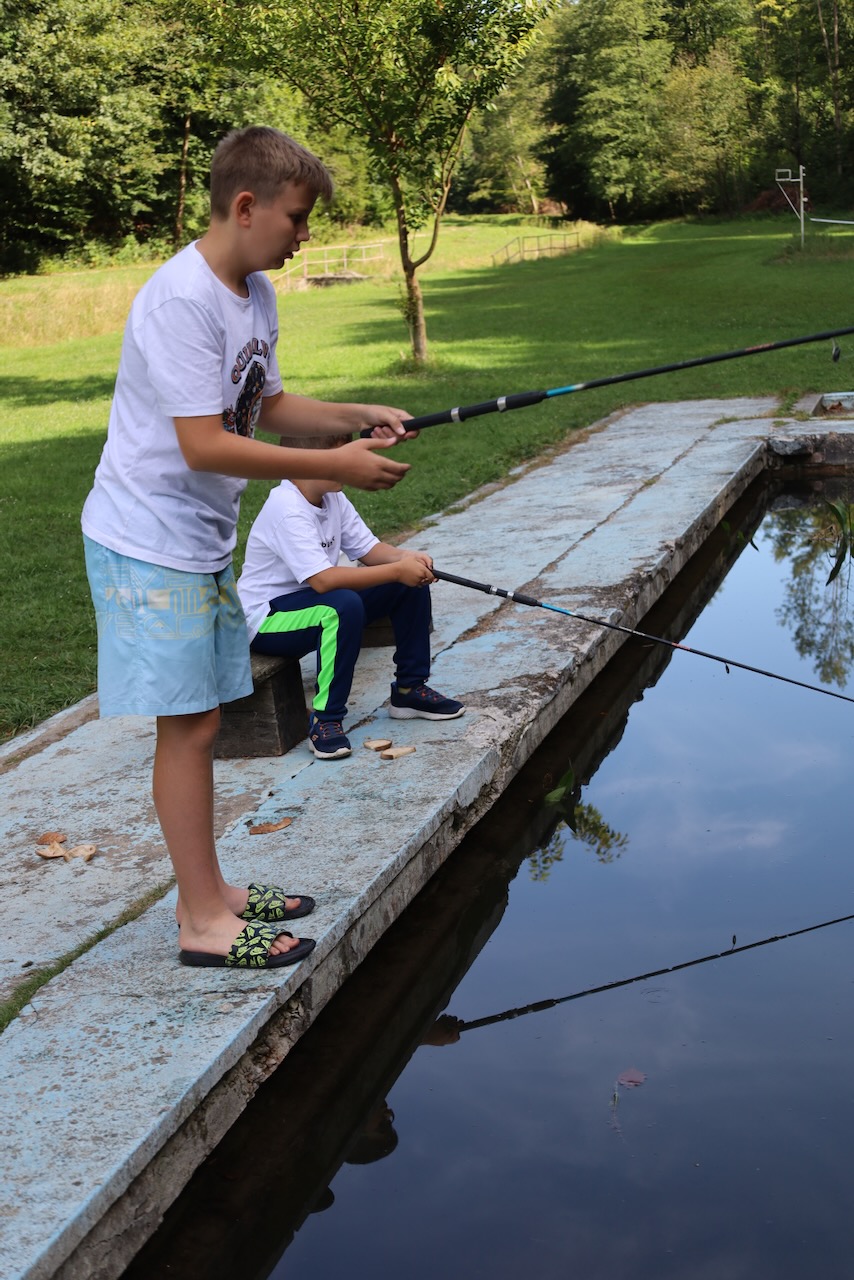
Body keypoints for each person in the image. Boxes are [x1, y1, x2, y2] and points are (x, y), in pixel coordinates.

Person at [81, 125, 414, 970]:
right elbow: (205, 444)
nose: (305, 234)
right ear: (245, 205)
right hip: (147, 540)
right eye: (298, 217)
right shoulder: (181, 300)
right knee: (190, 728)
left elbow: (259, 405)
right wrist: (326, 466)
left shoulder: (253, 293)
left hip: (196, 541)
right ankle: (201, 920)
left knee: (201, 719)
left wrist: (350, 418)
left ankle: (214, 891)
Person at [236, 433, 464, 761]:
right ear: (303, 463)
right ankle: (326, 720)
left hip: (314, 601)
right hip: (269, 618)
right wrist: (396, 569)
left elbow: (370, 551)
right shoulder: (286, 507)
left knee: (404, 582)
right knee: (341, 606)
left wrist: (405, 559)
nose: (353, 465)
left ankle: (408, 691)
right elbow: (325, 580)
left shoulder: (332, 498)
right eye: (341, 458)